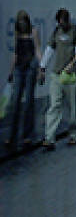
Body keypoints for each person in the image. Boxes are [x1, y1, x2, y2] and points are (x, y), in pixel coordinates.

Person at [41, 8, 76, 149]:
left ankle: (73, 134)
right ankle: (49, 137)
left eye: (64, 23)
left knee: (73, 107)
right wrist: (42, 66)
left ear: (68, 20)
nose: (62, 25)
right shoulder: (56, 32)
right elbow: (49, 49)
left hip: (72, 75)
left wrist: (70, 65)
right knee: (54, 105)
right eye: (60, 23)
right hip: (57, 75)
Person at [5, 10, 43, 151]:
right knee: (15, 102)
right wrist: (11, 71)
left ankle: (27, 135)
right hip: (19, 67)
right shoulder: (17, 33)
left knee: (28, 101)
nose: (21, 25)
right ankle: (13, 135)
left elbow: (38, 50)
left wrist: (41, 68)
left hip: (30, 67)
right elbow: (15, 52)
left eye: (23, 22)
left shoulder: (34, 32)